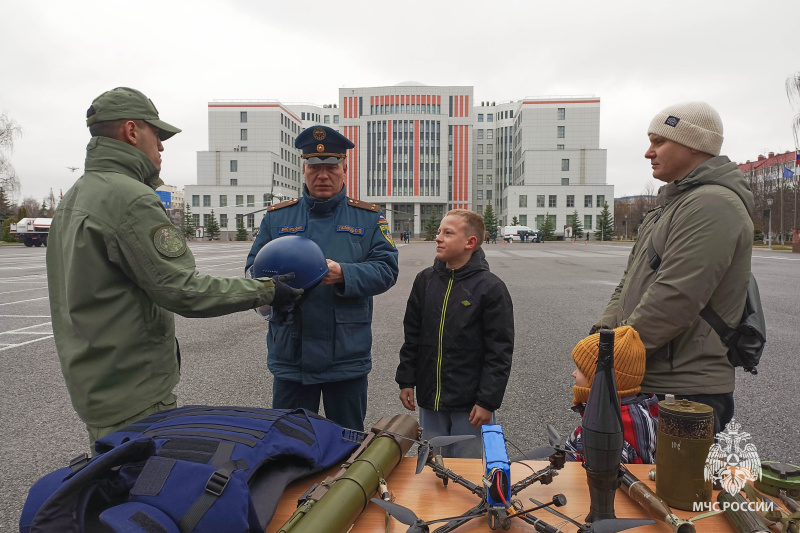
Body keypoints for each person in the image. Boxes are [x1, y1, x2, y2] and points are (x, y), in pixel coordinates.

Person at [46, 87, 302, 447]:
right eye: (157, 135)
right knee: (138, 476)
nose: (162, 148)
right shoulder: (130, 198)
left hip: (94, 381)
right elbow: (184, 290)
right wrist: (268, 291)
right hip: (132, 389)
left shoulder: (76, 196)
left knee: (110, 471)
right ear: (132, 131)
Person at [590, 102, 754, 435]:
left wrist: (611, 357)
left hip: (687, 388)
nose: (648, 152)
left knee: (671, 472)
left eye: (659, 141)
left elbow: (676, 297)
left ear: (694, 144)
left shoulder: (712, 204)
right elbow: (627, 284)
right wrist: (600, 338)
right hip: (651, 374)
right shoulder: (669, 209)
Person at [245, 125, 399, 431]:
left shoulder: (368, 218)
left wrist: (345, 274)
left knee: (347, 441)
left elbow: (387, 269)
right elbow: (253, 271)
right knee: (290, 440)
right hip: (291, 354)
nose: (323, 176)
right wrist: (274, 289)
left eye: (331, 167)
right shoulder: (277, 218)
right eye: (315, 168)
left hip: (345, 356)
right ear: (304, 170)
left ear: (344, 169)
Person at [396, 209, 514, 458]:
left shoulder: (491, 288)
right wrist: (406, 380)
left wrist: (487, 401)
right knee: (433, 463)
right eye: (439, 231)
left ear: (470, 242)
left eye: (448, 233)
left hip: (470, 406)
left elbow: (499, 351)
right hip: (431, 400)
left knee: (467, 468)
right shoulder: (425, 281)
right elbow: (412, 335)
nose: (438, 237)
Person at [563, 326, 658, 464]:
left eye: (580, 369)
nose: (574, 373)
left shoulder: (608, 428)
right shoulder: (646, 410)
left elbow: (605, 473)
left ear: (600, 379)